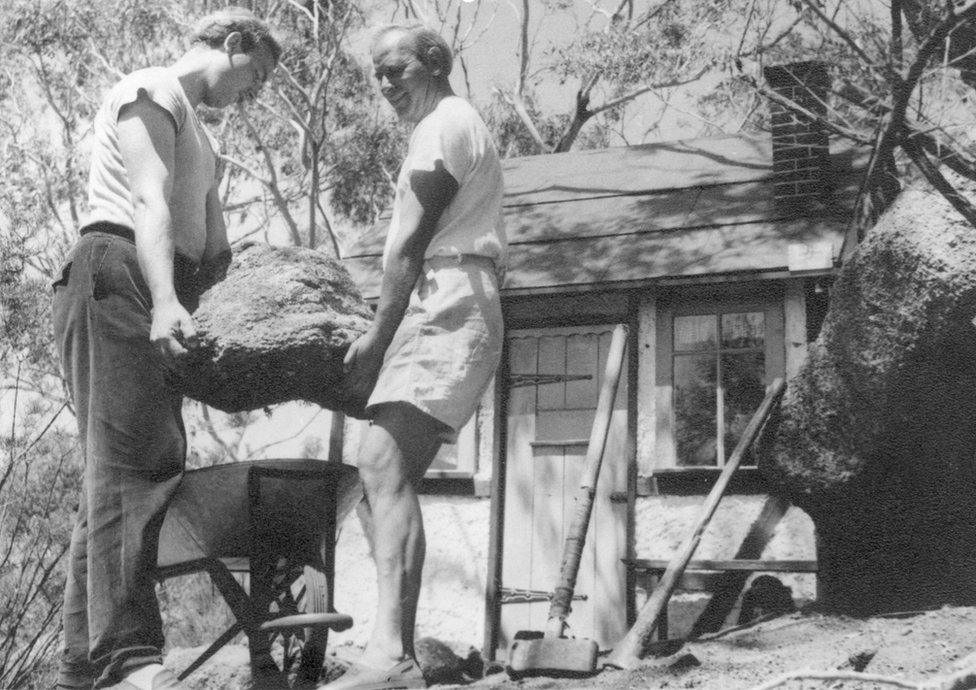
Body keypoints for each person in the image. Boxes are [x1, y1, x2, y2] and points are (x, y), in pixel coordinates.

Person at [51, 9, 280, 690]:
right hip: (118, 268)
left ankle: (79, 668)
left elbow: (213, 253)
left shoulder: (203, 136)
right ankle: (127, 660)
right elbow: (147, 198)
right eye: (257, 74)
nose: (255, 92)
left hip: (160, 281)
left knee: (128, 471)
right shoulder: (151, 90)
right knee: (134, 468)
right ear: (233, 44)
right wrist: (165, 299)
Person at [326, 23, 507, 690]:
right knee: (385, 477)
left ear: (434, 63)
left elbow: (408, 246)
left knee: (380, 463)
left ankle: (389, 657)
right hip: (446, 296)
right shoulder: (443, 127)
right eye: (376, 73)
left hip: (448, 295)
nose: (384, 83)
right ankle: (393, 650)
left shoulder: (444, 125)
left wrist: (375, 339)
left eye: (395, 68)